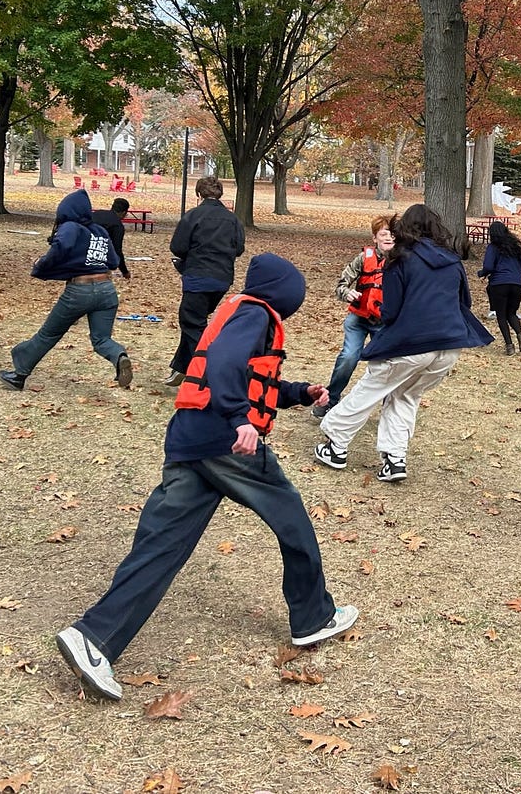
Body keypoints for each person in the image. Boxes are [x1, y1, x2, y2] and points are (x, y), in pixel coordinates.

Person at [55, 254, 358, 702]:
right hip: (225, 442)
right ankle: (313, 617)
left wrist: (298, 393)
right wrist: (240, 420)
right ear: (281, 292)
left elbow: (245, 376)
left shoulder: (240, 314)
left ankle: (93, 637)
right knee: (292, 519)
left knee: (163, 544)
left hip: (190, 439)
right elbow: (223, 364)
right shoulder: (255, 313)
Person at [313, 204, 493, 483]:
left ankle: (335, 445)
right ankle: (395, 460)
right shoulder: (452, 260)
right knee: (406, 395)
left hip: (412, 343)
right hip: (449, 346)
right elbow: (464, 302)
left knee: (370, 389)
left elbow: (390, 310)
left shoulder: (400, 260)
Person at [0, 188, 131, 391]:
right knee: (101, 339)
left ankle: (19, 375)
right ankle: (119, 356)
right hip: (107, 290)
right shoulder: (100, 231)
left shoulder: (70, 227)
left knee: (48, 335)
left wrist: (41, 264)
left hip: (80, 291)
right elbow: (113, 261)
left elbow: (61, 247)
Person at [312, 215, 395, 419]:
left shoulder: (402, 261)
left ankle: (391, 409)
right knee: (349, 356)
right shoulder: (363, 258)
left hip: (385, 323)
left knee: (387, 364)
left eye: (392, 235)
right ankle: (330, 399)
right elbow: (341, 285)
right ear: (375, 238)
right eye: (383, 234)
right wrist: (347, 293)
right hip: (358, 319)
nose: (388, 238)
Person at [165, 175, 245, 388]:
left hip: (198, 277)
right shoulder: (233, 219)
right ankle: (181, 368)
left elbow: (178, 247)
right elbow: (239, 248)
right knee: (195, 319)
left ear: (199, 194)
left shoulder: (193, 216)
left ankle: (209, 373)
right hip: (222, 278)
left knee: (192, 322)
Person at [478, 220, 521, 356]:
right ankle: (520, 334)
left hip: (499, 284)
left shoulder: (493, 247)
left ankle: (509, 345)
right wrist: (516, 275)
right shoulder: (515, 247)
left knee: (501, 315)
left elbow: (488, 266)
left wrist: (482, 273)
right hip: (516, 284)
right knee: (511, 313)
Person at [91, 197, 133, 280]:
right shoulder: (117, 225)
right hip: (99, 258)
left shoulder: (97, 213)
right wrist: (124, 271)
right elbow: (117, 250)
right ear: (124, 212)